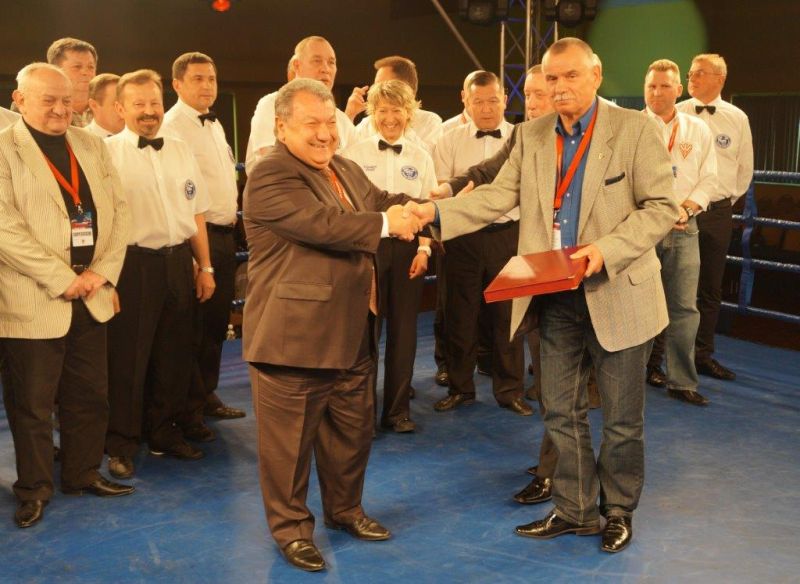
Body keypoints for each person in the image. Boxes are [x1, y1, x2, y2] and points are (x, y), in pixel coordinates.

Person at [404, 38, 678, 553]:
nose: (560, 87)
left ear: (596, 75)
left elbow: (661, 207)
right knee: (559, 411)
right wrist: (433, 213)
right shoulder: (531, 134)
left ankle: (618, 511)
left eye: (571, 75)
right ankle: (576, 510)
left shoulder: (634, 129)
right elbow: (496, 197)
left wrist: (605, 250)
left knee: (621, 420)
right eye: (551, 78)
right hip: (552, 293)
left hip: (618, 289)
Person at [243, 78, 421, 572]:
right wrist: (388, 224)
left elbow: (380, 199)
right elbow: (322, 225)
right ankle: (291, 531)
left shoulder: (343, 167)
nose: (325, 134)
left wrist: (424, 207)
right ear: (282, 127)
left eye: (330, 122)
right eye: (311, 124)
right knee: (288, 447)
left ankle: (345, 511)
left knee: (352, 432)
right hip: (294, 337)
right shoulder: (270, 173)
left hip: (352, 328)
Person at [0, 63, 133, 529]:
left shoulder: (91, 144)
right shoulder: (4, 147)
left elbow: (119, 212)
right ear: (19, 100)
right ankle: (34, 488)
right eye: (48, 100)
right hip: (32, 296)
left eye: (66, 100)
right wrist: (61, 278)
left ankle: (82, 472)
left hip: (92, 292)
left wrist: (102, 272)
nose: (60, 109)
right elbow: (4, 228)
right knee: (33, 404)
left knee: (90, 394)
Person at [104, 69, 215, 479]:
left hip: (177, 262)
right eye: (139, 104)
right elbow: (102, 224)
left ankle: (163, 432)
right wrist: (107, 278)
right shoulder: (106, 153)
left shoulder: (181, 149)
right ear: (120, 109)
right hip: (131, 265)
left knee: (174, 354)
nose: (149, 111)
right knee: (128, 360)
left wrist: (205, 266)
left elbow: (196, 212)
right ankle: (120, 443)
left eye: (154, 102)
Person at [432, 70, 531, 416]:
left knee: (509, 318)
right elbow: (441, 189)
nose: (487, 108)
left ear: (505, 100)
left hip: (508, 235)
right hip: (463, 237)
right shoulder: (448, 139)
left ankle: (510, 391)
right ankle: (460, 388)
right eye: (478, 101)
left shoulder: (523, 137)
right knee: (460, 316)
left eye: (493, 100)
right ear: (465, 101)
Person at [343, 79, 437, 433]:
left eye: (396, 110)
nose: (389, 118)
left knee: (404, 330)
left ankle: (397, 412)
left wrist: (425, 249)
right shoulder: (355, 153)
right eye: (382, 110)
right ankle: (362, 414)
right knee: (366, 332)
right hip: (369, 247)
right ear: (372, 113)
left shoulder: (421, 156)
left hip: (409, 248)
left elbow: (429, 205)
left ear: (409, 113)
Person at [161, 52, 245, 442]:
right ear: (177, 84)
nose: (207, 85)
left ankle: (206, 396)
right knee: (193, 329)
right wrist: (197, 258)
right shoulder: (172, 127)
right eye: (197, 78)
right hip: (198, 238)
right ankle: (188, 411)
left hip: (224, 234)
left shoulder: (213, 123)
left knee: (214, 325)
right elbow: (178, 194)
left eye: (211, 78)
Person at [644, 59, 718, 406]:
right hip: (642, 230)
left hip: (685, 226)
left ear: (678, 89)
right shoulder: (632, 126)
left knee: (685, 308)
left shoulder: (698, 129)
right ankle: (630, 376)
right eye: (651, 86)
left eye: (664, 86)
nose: (657, 92)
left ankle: (681, 381)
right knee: (638, 307)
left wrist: (686, 208)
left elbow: (709, 177)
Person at [676, 53, 754, 381]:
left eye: (699, 73)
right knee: (670, 285)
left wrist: (722, 202)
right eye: (690, 73)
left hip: (718, 211)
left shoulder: (737, 118)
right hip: (679, 211)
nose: (692, 78)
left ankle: (702, 355)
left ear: (720, 79)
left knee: (710, 286)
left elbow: (744, 168)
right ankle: (656, 359)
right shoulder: (677, 112)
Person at [245, 36, 355, 173]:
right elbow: (271, 162)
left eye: (331, 62)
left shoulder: (342, 119)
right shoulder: (272, 105)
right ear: (297, 65)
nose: (326, 69)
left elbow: (356, 168)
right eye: (317, 61)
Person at [351, 56, 443, 152]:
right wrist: (350, 115)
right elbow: (346, 152)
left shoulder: (430, 121)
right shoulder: (368, 122)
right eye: (376, 85)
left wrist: (401, 124)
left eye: (383, 84)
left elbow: (430, 157)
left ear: (406, 87)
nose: (376, 89)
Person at [46, 37, 98, 127]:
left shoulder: (111, 108)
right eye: (77, 66)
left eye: (91, 67)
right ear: (56, 70)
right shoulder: (43, 111)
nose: (85, 72)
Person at [86, 73, 124, 138]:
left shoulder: (139, 137)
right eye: (116, 104)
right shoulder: (78, 140)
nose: (124, 110)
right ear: (94, 105)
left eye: (126, 103)